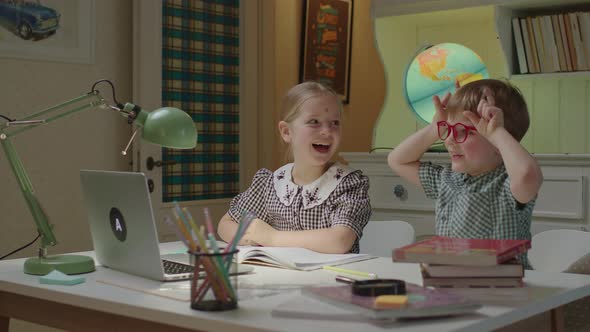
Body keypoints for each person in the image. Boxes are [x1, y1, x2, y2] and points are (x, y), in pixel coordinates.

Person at [388, 79, 542, 265]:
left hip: (501, 289)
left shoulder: (508, 185)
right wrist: (434, 129)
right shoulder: (446, 180)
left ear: (498, 142)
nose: (449, 140)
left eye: (463, 131)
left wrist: (497, 133)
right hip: (452, 285)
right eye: (449, 129)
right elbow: (397, 160)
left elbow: (528, 175)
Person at [217, 82, 371, 254]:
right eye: (314, 122)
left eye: (335, 123)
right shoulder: (271, 185)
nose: (327, 131)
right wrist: (249, 237)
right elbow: (225, 224)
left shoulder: (348, 185)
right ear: (286, 132)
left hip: (332, 278)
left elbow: (339, 241)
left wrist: (272, 238)